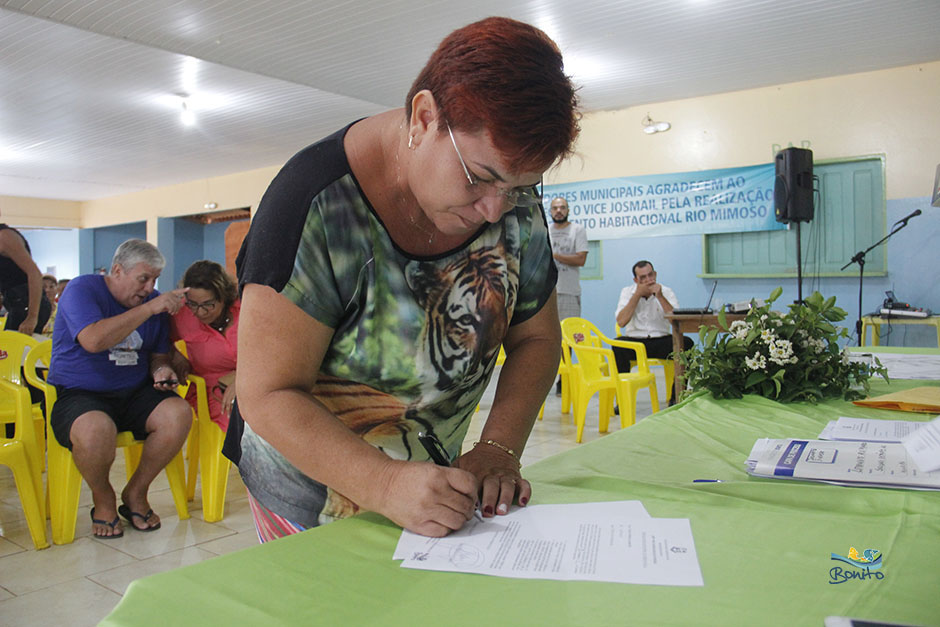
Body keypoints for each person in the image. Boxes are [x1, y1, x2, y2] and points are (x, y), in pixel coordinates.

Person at [224, 16, 580, 541]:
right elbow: (268, 392)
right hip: (311, 497)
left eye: (521, 187)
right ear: (423, 118)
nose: (494, 210)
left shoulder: (511, 203)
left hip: (433, 488)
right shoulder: (312, 205)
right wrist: (385, 484)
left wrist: (498, 448)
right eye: (479, 178)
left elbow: (538, 336)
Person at [49, 239, 193, 538]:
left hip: (135, 391)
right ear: (117, 270)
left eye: (154, 280)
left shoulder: (150, 302)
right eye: (144, 278)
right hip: (81, 393)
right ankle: (103, 499)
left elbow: (157, 355)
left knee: (178, 413)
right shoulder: (82, 290)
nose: (150, 287)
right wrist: (151, 308)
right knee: (95, 430)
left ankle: (136, 493)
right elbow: (93, 340)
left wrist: (162, 369)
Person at [170, 260, 239, 431]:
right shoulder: (182, 316)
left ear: (223, 297)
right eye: (193, 304)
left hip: (254, 379)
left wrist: (242, 381)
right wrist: (174, 354)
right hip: (213, 391)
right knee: (240, 422)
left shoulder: (245, 310)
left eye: (208, 304)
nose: (200, 312)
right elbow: (155, 340)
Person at [613, 260, 693, 404]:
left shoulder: (666, 291)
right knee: (618, 345)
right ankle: (622, 400)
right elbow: (621, 322)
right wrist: (636, 296)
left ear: (655, 274)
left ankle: (677, 397)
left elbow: (676, 322)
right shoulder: (627, 292)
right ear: (636, 280)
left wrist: (660, 297)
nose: (648, 280)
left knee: (686, 343)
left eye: (650, 275)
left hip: (660, 339)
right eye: (643, 278)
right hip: (636, 342)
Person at [548, 196, 588, 394]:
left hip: (569, 292)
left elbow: (581, 259)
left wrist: (554, 256)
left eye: (562, 207)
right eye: (555, 208)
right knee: (547, 337)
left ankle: (565, 378)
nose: (558, 211)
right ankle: (548, 377)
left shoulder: (577, 230)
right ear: (550, 211)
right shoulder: (545, 230)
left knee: (569, 339)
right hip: (547, 292)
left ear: (568, 210)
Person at [0, 222, 52, 334]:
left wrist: (32, 316)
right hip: (16, 303)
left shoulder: (4, 236)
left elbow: (35, 274)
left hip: (27, 304)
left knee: (12, 348)